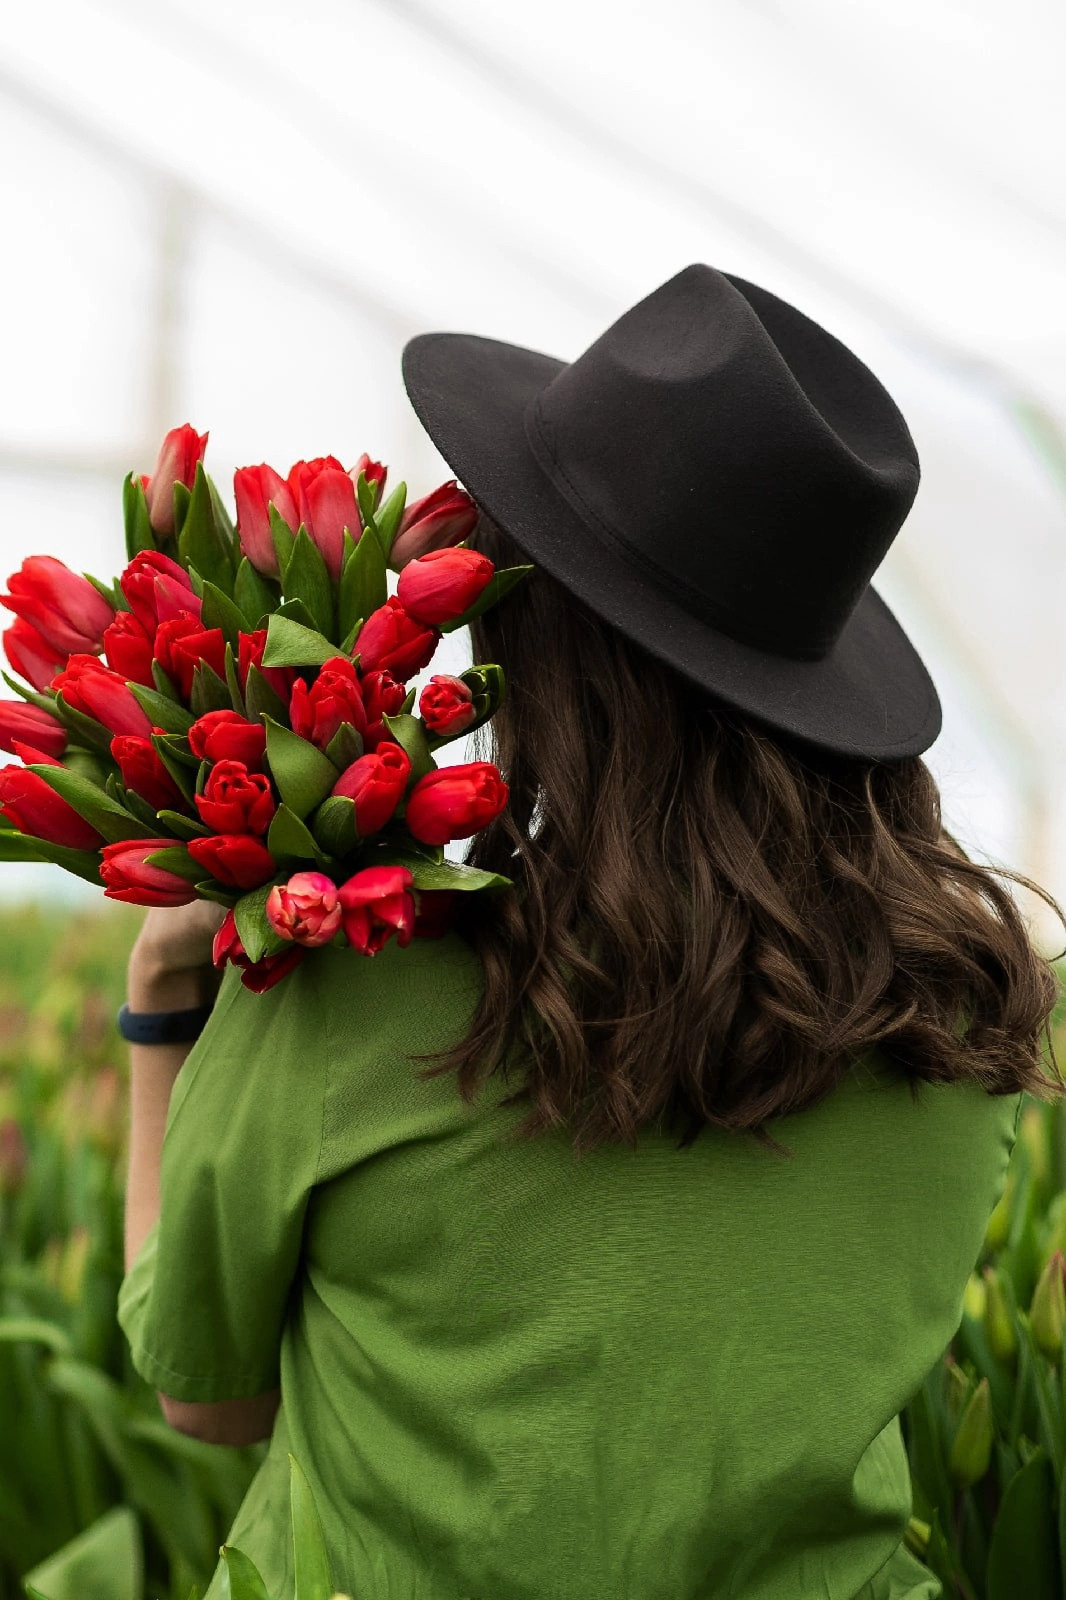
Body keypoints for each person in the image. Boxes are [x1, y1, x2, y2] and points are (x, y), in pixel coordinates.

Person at [117, 265, 1065, 1599]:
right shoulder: (959, 1022)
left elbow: (206, 1397)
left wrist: (163, 1014)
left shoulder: (351, 991)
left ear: (531, 635)